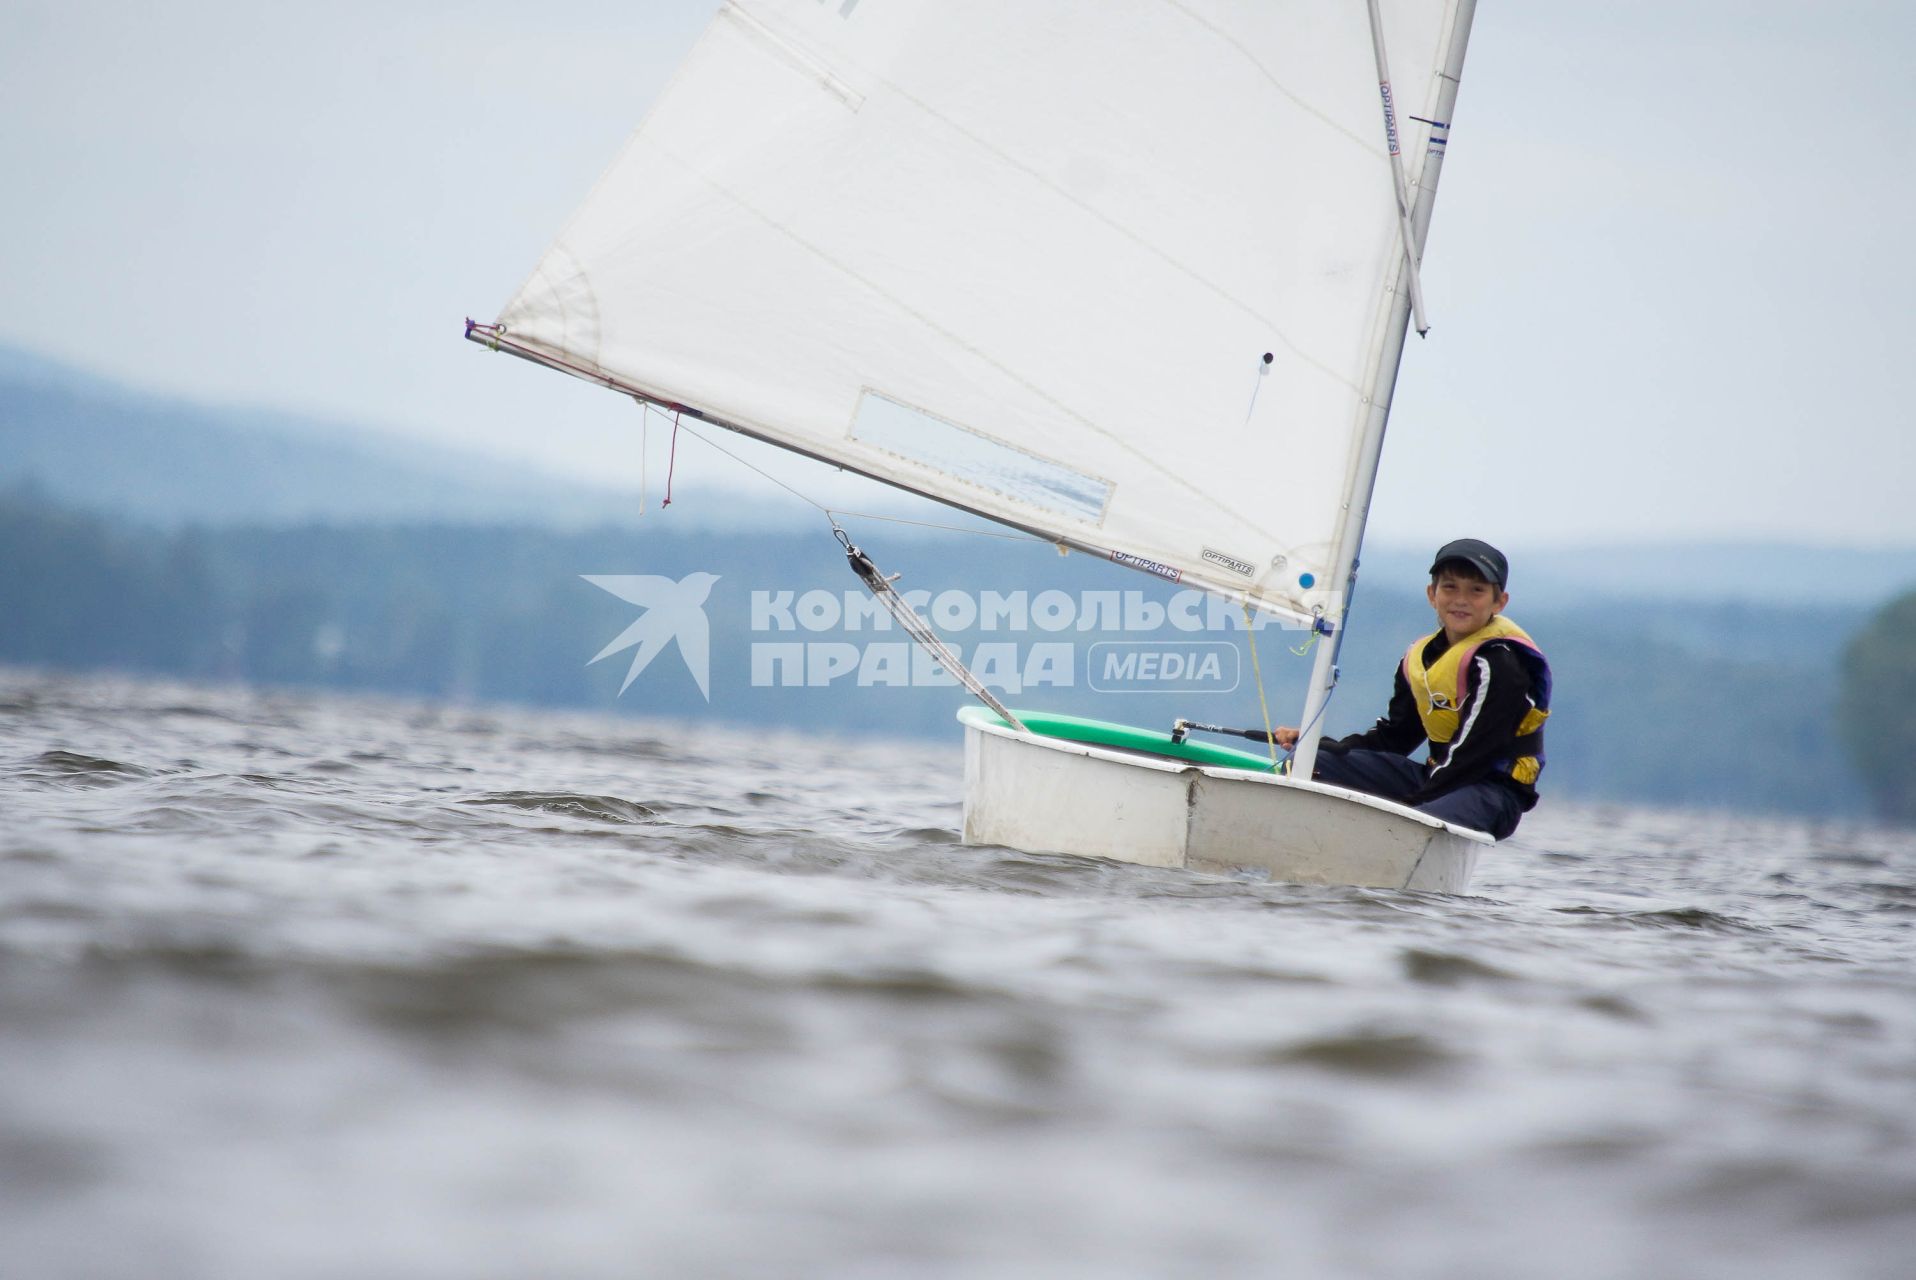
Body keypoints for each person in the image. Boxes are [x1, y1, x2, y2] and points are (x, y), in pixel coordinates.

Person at [1271, 538, 1551, 839]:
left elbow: (1473, 755)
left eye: (1476, 590)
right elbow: (1395, 738)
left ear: (1499, 602)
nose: (1461, 599)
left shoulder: (1500, 666)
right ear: (1432, 594)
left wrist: (1410, 805)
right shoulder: (1421, 659)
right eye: (1450, 587)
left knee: (1414, 823)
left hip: (1493, 792)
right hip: (1436, 779)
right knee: (1309, 764)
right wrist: (1318, 743)